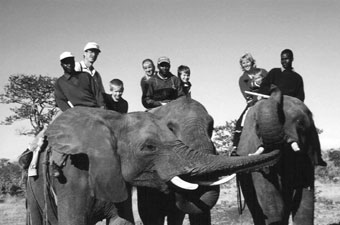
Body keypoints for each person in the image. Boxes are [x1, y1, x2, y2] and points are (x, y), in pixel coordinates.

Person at [231, 53, 267, 154]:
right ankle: (235, 146)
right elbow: (247, 95)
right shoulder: (242, 79)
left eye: (247, 62)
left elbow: (270, 83)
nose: (245, 64)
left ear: (252, 62)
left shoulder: (262, 72)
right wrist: (256, 98)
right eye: (243, 63)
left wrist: (265, 94)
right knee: (241, 121)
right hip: (254, 102)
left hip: (268, 98)